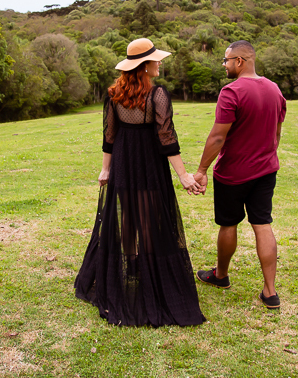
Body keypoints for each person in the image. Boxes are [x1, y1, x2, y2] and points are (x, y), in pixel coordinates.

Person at [75, 38, 206, 327]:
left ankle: (127, 277)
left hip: (123, 162)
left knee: (128, 220)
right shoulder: (157, 94)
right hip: (147, 164)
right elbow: (166, 138)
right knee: (149, 220)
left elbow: (110, 137)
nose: (159, 63)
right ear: (144, 65)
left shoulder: (113, 93)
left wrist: (106, 169)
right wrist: (183, 175)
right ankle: (148, 282)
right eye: (156, 60)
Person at [194, 40, 287, 309]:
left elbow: (217, 137)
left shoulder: (231, 91)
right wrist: (265, 157)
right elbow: (277, 134)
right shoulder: (274, 89)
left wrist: (201, 170)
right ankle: (270, 292)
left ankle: (221, 275)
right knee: (262, 224)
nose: (224, 65)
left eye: (226, 60)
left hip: (233, 173)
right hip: (266, 171)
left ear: (239, 61)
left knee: (229, 224)